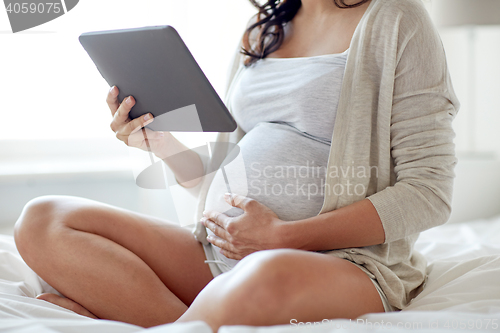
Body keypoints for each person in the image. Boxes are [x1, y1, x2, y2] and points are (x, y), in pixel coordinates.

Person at [13, 0, 459, 331]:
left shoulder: (397, 20)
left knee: (261, 273)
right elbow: (226, 175)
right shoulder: (263, 28)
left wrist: (282, 237)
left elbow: (429, 193)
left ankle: (138, 317)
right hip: (221, 249)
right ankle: (184, 321)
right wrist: (160, 142)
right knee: (43, 219)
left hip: (339, 262)